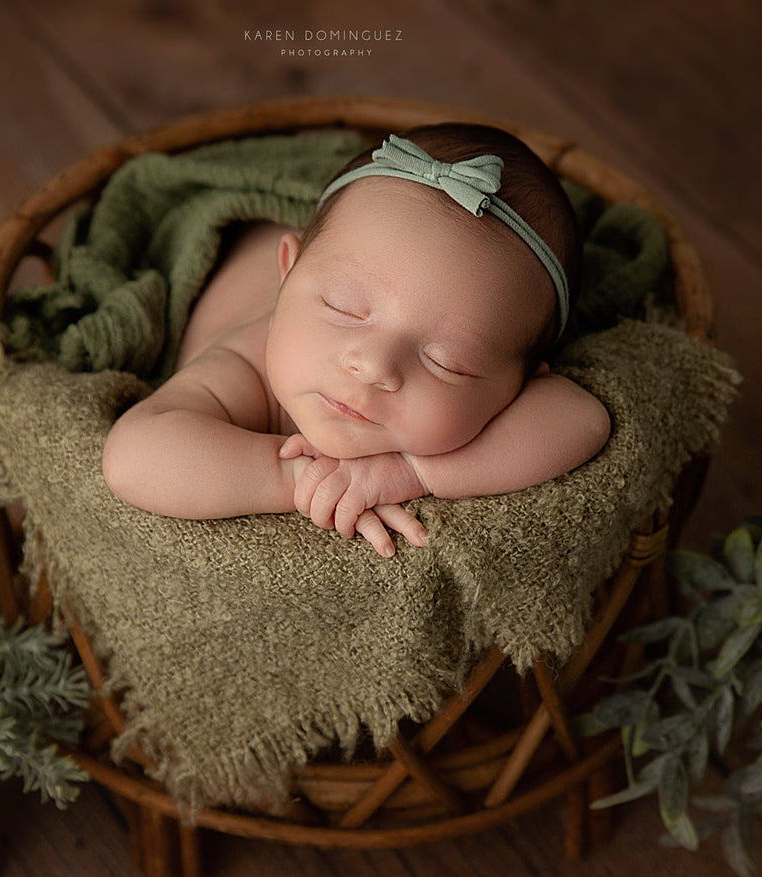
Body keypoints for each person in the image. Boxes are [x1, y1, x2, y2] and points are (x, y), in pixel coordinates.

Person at [102, 123, 611, 556]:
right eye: (343, 308)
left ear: (520, 386)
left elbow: (583, 419)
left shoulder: (514, 381)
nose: (374, 366)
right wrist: (300, 479)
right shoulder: (247, 365)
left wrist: (410, 473)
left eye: (447, 362)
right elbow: (135, 455)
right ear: (287, 274)